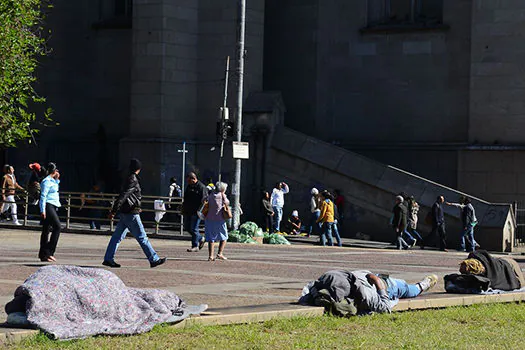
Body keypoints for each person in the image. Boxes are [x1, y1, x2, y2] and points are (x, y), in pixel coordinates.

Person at [103, 158, 166, 268]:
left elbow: (128, 196)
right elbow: (125, 195)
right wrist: (114, 210)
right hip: (131, 213)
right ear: (139, 169)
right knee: (142, 237)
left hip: (126, 212)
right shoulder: (132, 179)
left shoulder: (128, 178)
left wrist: (116, 209)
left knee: (117, 237)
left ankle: (108, 258)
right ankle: (154, 259)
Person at [300, 269, 438, 315]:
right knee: (410, 290)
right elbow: (385, 307)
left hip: (380, 281)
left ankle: (423, 284)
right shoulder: (365, 295)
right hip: (387, 287)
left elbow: (311, 287)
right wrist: (378, 283)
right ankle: (423, 285)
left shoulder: (330, 277)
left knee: (408, 288)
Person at [445, 250, 525, 293]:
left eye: (463, 273)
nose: (461, 274)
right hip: (503, 262)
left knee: (521, 283)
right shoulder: (479, 259)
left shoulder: (488, 276)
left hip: (511, 268)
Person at [39, 163, 62, 262]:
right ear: (54, 170)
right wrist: (42, 210)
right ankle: (49, 251)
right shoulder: (46, 181)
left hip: (53, 205)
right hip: (48, 205)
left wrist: (57, 179)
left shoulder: (53, 181)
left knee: (46, 230)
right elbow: (43, 196)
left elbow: (55, 190)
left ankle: (43, 254)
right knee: (57, 227)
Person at [204, 182, 230, 261]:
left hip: (209, 219)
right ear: (222, 189)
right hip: (220, 219)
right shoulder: (222, 196)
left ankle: (210, 256)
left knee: (211, 238)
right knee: (224, 236)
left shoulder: (210, 195)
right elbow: (227, 203)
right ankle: (220, 253)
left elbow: (203, 200)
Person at [183, 172, 208, 252]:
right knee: (187, 227)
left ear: (193, 179)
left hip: (197, 211)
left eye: (189, 181)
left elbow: (205, 200)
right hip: (188, 210)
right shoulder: (189, 186)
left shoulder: (201, 187)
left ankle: (195, 245)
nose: (188, 182)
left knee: (194, 228)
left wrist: (201, 211)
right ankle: (201, 238)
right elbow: (186, 197)